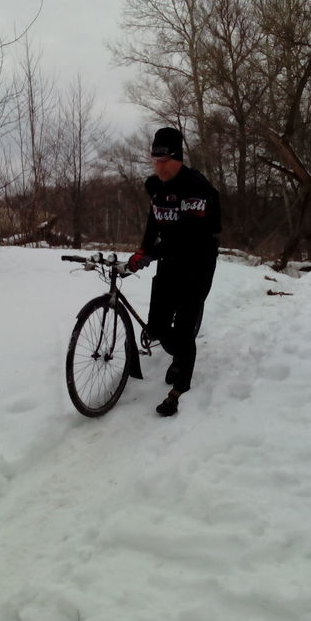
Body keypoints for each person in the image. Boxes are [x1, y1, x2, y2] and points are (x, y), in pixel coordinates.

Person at [126, 127, 221, 416]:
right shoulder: (156, 187)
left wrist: (152, 253)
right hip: (169, 260)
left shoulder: (196, 187)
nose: (160, 166)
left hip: (198, 261)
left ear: (178, 158)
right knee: (156, 326)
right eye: (155, 160)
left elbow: (188, 235)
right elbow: (154, 221)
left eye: (165, 160)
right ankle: (179, 352)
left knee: (183, 328)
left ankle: (180, 385)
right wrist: (143, 249)